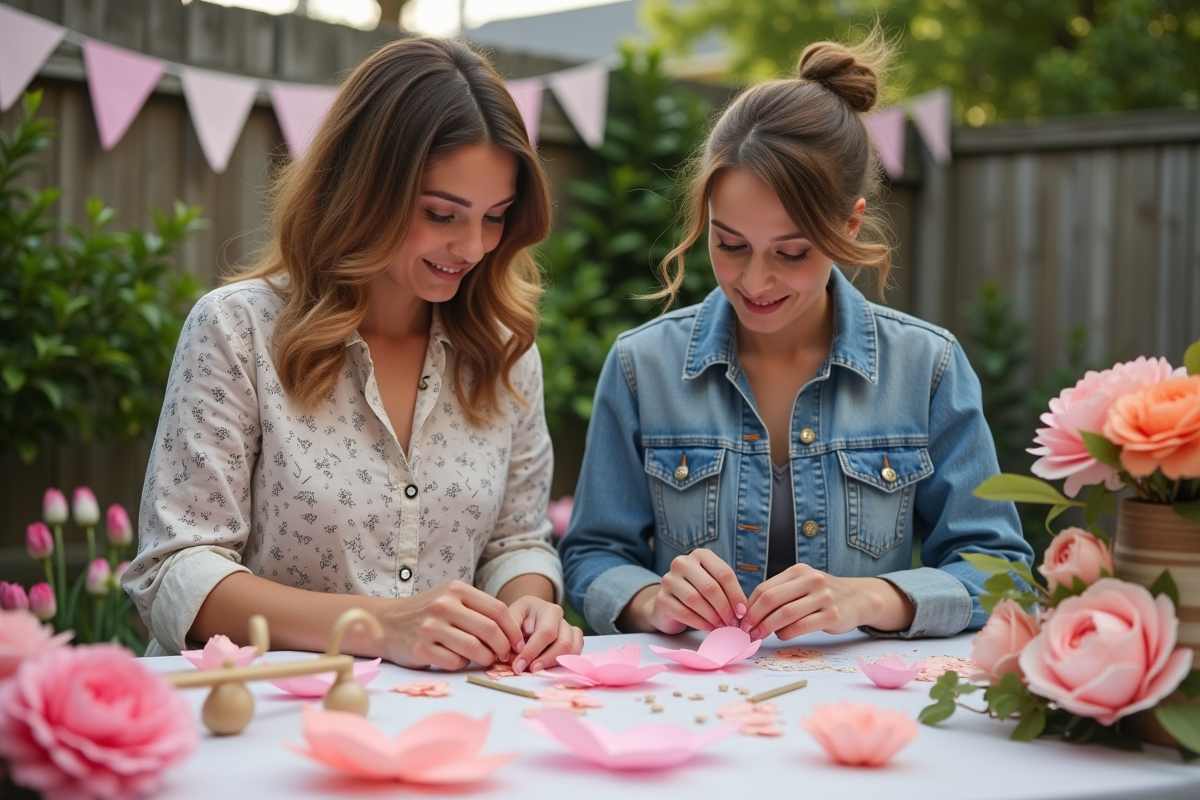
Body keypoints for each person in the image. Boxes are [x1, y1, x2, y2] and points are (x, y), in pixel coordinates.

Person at [125, 37, 582, 673]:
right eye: (441, 213)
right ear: (364, 189)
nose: (473, 246)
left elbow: (516, 543)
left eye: (495, 217)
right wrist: (379, 626)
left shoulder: (504, 353)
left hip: (447, 716)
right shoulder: (238, 330)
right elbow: (178, 572)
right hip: (258, 715)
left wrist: (530, 604)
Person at [559, 34, 1033, 641]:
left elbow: (1002, 573)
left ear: (849, 225)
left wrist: (871, 597)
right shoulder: (640, 367)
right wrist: (653, 600)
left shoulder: (928, 367)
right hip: (692, 711)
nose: (755, 281)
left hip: (861, 716)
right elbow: (592, 554)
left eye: (791, 252)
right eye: (729, 244)